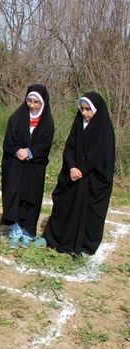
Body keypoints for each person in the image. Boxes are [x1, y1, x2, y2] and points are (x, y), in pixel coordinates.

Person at [41, 92, 116, 256]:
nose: (84, 113)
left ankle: (83, 245)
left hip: (92, 178)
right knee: (64, 204)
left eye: (88, 109)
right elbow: (69, 148)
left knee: (89, 212)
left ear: (96, 110)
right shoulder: (78, 124)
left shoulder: (105, 130)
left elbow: (100, 155)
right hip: (73, 173)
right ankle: (57, 238)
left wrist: (83, 170)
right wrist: (72, 167)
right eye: (82, 109)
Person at [0, 84, 54, 248]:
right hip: (15, 165)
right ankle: (15, 231)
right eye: (29, 101)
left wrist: (30, 152)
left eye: (36, 102)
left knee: (31, 199)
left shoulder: (47, 123)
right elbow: (9, 141)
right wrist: (18, 151)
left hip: (34, 168)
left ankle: (28, 233)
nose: (32, 105)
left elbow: (45, 145)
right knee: (15, 196)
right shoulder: (16, 118)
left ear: (43, 103)